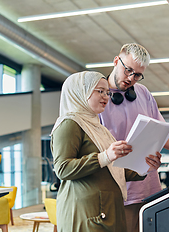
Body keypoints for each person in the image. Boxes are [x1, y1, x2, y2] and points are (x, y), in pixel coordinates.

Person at [99, 43, 169, 232]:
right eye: (127, 70)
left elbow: (162, 134)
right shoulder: (99, 97)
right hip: (119, 190)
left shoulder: (143, 93)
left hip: (148, 187)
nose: (131, 78)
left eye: (137, 75)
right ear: (115, 61)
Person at [50, 71, 161, 232]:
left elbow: (116, 169)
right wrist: (105, 156)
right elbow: (63, 168)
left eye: (107, 92)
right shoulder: (69, 123)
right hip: (87, 212)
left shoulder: (98, 128)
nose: (106, 97)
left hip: (107, 209)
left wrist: (146, 167)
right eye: (99, 91)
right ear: (81, 91)